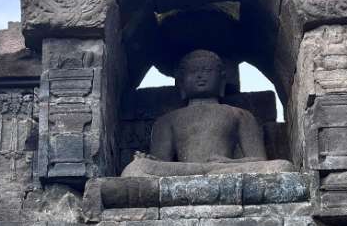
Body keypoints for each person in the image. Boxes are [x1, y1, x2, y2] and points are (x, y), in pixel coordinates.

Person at [122, 49, 294, 178]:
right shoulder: (166, 121)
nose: (200, 76)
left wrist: (231, 163)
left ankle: (212, 172)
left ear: (222, 79)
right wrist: (148, 160)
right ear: (180, 82)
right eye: (193, 72)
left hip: (225, 169)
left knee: (283, 167)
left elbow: (259, 160)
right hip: (185, 171)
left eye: (207, 70)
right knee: (135, 170)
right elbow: (161, 161)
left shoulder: (240, 115)